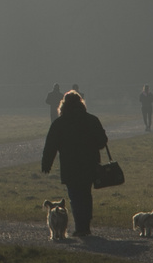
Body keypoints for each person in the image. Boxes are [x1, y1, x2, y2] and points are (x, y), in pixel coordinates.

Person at [41, 90, 108, 237]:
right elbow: (102, 141)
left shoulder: (60, 123)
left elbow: (51, 145)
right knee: (86, 194)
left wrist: (46, 163)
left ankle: (80, 227)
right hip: (89, 164)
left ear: (63, 105)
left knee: (75, 197)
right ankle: (86, 225)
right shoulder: (92, 120)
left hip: (70, 166)